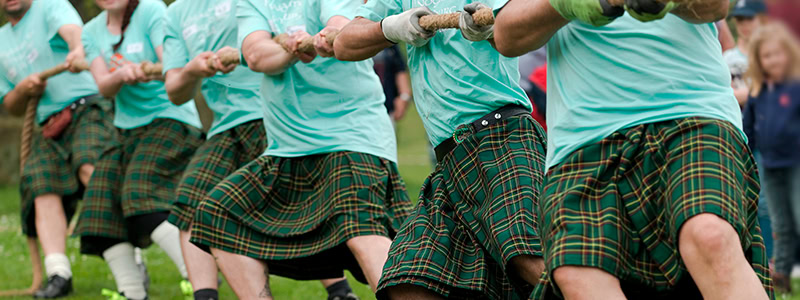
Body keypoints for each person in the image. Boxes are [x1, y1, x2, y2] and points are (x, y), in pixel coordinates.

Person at [493, 0, 772, 298]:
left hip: (691, 111)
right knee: (578, 274)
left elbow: (716, 6)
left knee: (709, 235)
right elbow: (508, 35)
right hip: (584, 134)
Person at [188, 0, 413, 298]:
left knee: (361, 230)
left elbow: (342, 27)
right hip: (287, 147)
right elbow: (255, 54)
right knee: (218, 215)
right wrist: (292, 51)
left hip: (350, 135)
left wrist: (329, 35)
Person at [335, 1, 548, 298]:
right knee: (409, 281)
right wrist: (390, 27)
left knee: (527, 256)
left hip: (502, 136)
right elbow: (345, 43)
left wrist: (490, 30)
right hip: (450, 159)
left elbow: (521, 28)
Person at [161, 1, 359, 299]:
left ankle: (340, 291)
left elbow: (285, 35)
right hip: (224, 125)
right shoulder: (176, 13)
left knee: (296, 202)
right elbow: (175, 91)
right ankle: (205, 295)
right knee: (191, 203)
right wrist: (193, 70)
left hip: (271, 113)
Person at [73, 0, 205, 299]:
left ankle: (199, 273)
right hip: (126, 130)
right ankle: (132, 293)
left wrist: (146, 71)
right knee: (99, 205)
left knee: (138, 192)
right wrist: (119, 76)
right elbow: (104, 86)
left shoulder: (152, 11)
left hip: (170, 120)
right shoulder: (91, 32)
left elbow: (172, 67)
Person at [0, 0, 114, 297]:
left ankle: (129, 255)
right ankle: (58, 274)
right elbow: (10, 105)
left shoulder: (50, 6)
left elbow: (74, 32)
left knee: (91, 167)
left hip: (87, 107)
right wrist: (23, 90)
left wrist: (78, 49)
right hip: (48, 124)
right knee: (41, 186)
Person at [743, 22, 800, 294]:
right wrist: (747, 158)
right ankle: (782, 279)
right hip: (770, 164)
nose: (773, 60)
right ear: (758, 60)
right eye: (767, 55)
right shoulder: (757, 92)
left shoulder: (795, 87)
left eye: (778, 53)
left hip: (796, 164)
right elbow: (749, 129)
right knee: (780, 222)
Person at [723, 0, 768, 105]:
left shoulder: (773, 56)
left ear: (763, 19)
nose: (744, 24)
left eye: (749, 18)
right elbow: (722, 95)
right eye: (739, 19)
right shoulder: (727, 58)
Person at [373, 45, 412, 122]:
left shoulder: (389, 44)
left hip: (386, 109)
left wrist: (404, 97)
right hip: (357, 110)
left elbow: (399, 68)